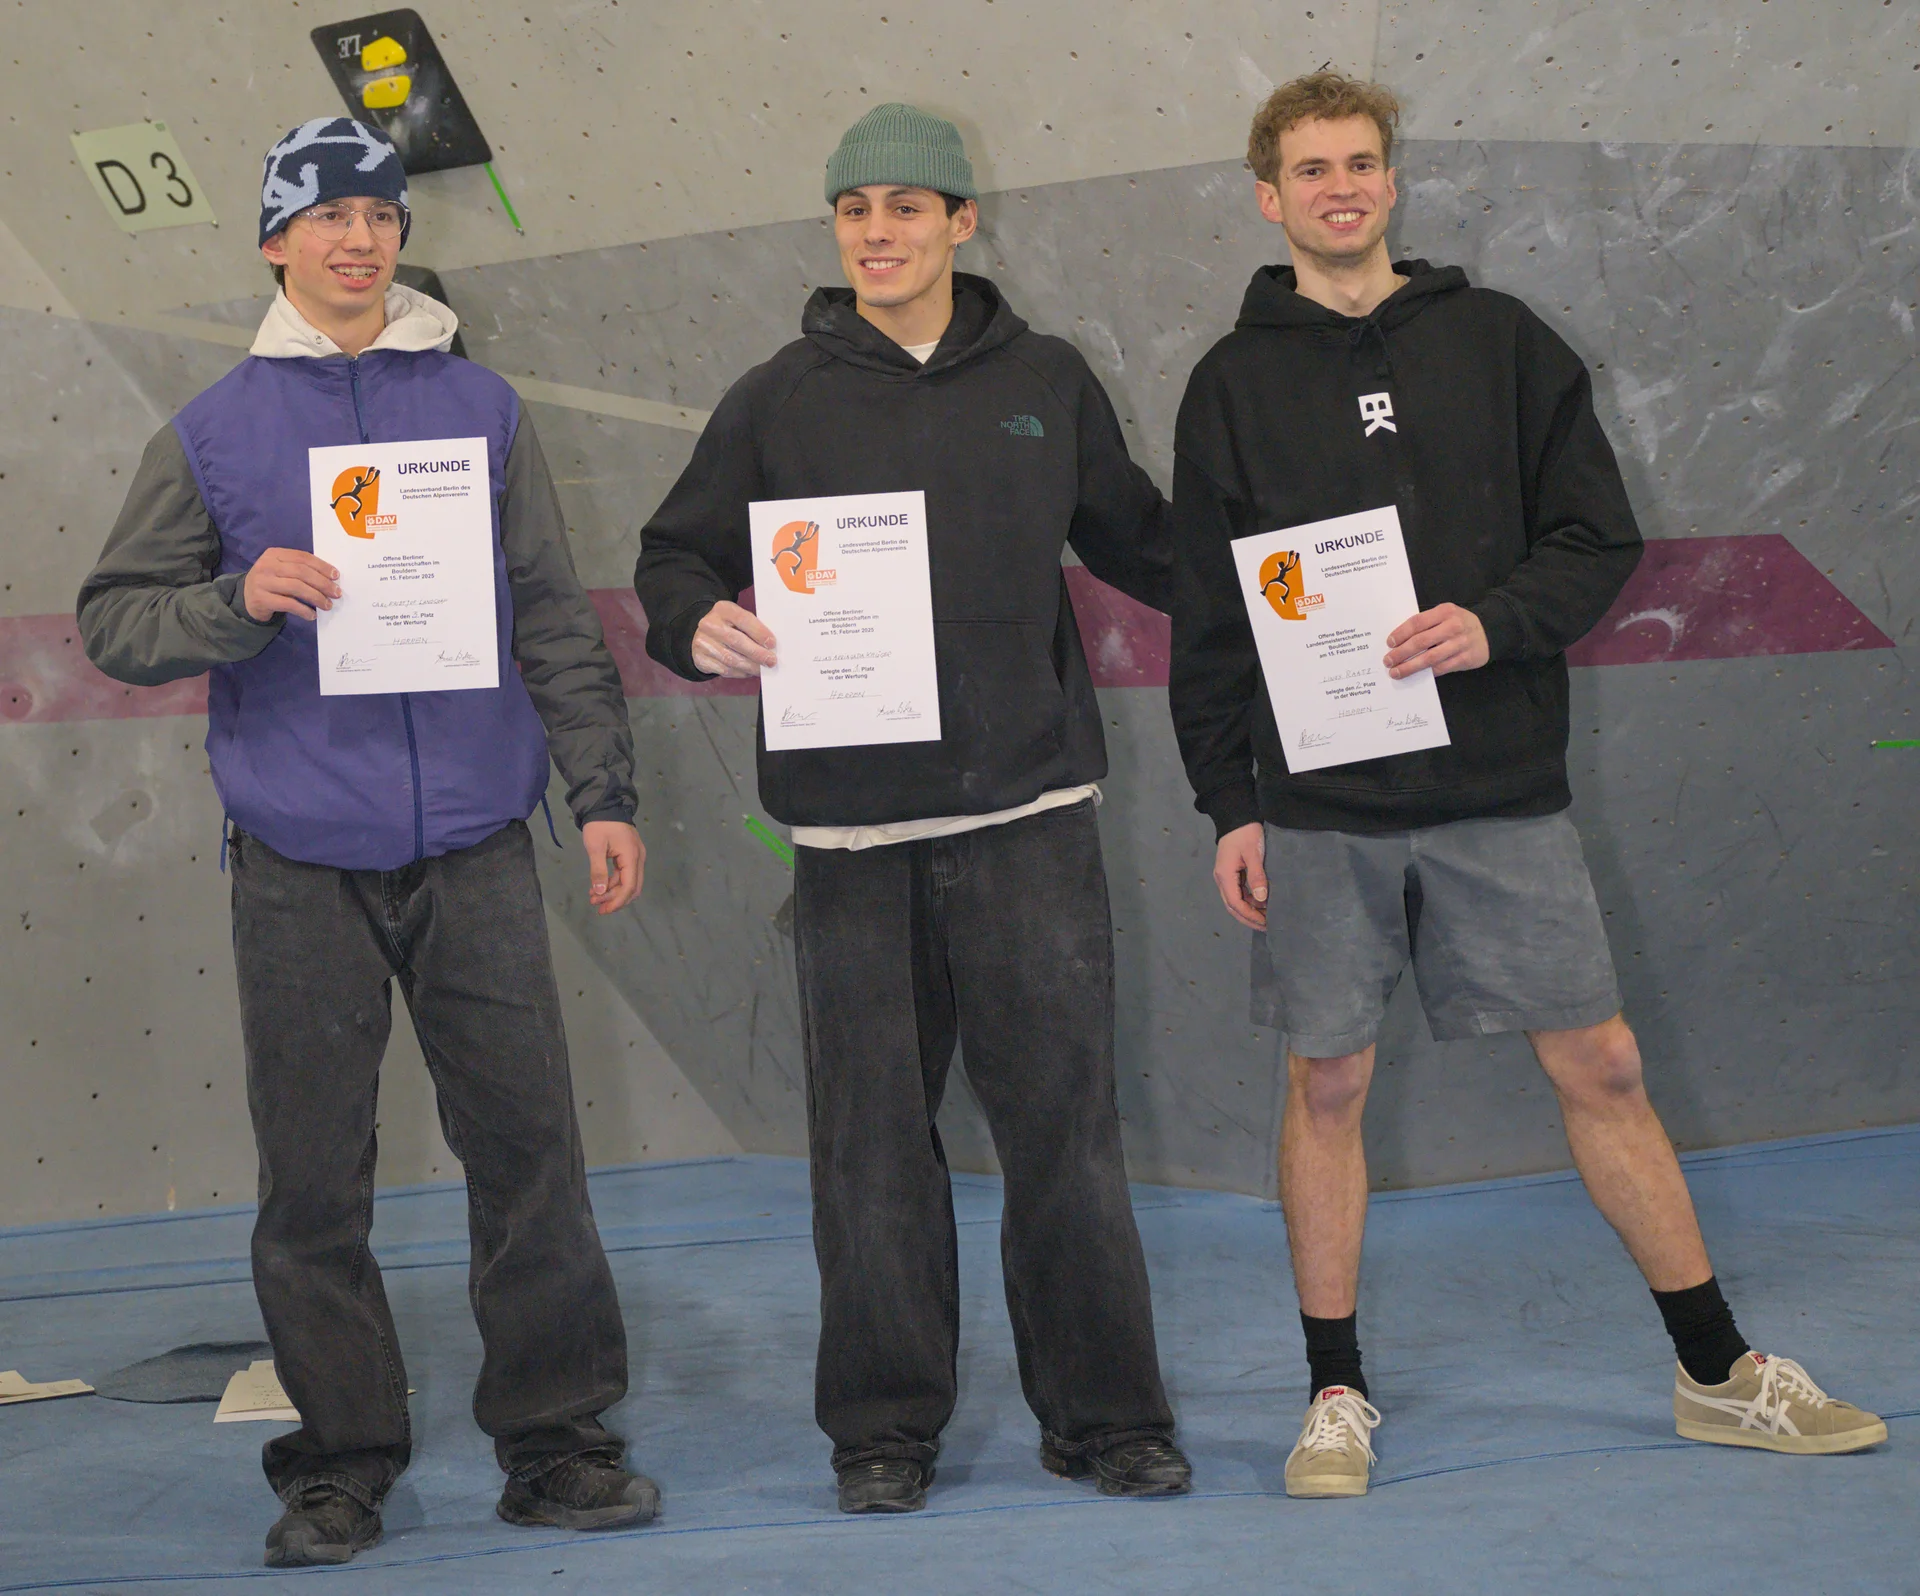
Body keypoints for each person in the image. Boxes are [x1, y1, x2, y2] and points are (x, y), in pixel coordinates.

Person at [1167, 71, 1886, 1500]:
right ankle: (1334, 1393)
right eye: (1310, 169)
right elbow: (1210, 613)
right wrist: (1226, 801)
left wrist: (1494, 622)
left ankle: (1716, 1373)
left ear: (1391, 179)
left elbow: (1595, 538)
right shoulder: (1229, 386)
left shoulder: (1501, 342)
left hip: (1498, 781)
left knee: (1604, 1063)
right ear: (1269, 195)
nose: (1340, 187)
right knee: (1328, 1084)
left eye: (1361, 162)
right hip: (1318, 806)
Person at [77, 118, 659, 1566]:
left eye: (379, 215)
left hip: (473, 840)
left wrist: (600, 791)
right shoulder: (211, 431)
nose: (357, 238)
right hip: (297, 856)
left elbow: (549, 619)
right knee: (314, 1179)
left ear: (401, 236)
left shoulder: (485, 405)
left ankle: (559, 1441)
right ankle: (338, 1461)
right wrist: (238, 598)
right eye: (325, 217)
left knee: (532, 1158)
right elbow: (115, 620)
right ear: (275, 242)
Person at [634, 103, 1191, 1514]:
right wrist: (696, 621)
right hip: (849, 836)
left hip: (1030, 814)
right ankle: (883, 1427)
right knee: (869, 1147)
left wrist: (1316, 583)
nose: (877, 231)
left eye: (906, 206)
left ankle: (1106, 1416)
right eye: (854, 209)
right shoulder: (777, 395)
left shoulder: (1049, 380)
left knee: (1063, 1129)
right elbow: (674, 558)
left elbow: (1144, 542)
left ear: (962, 222)